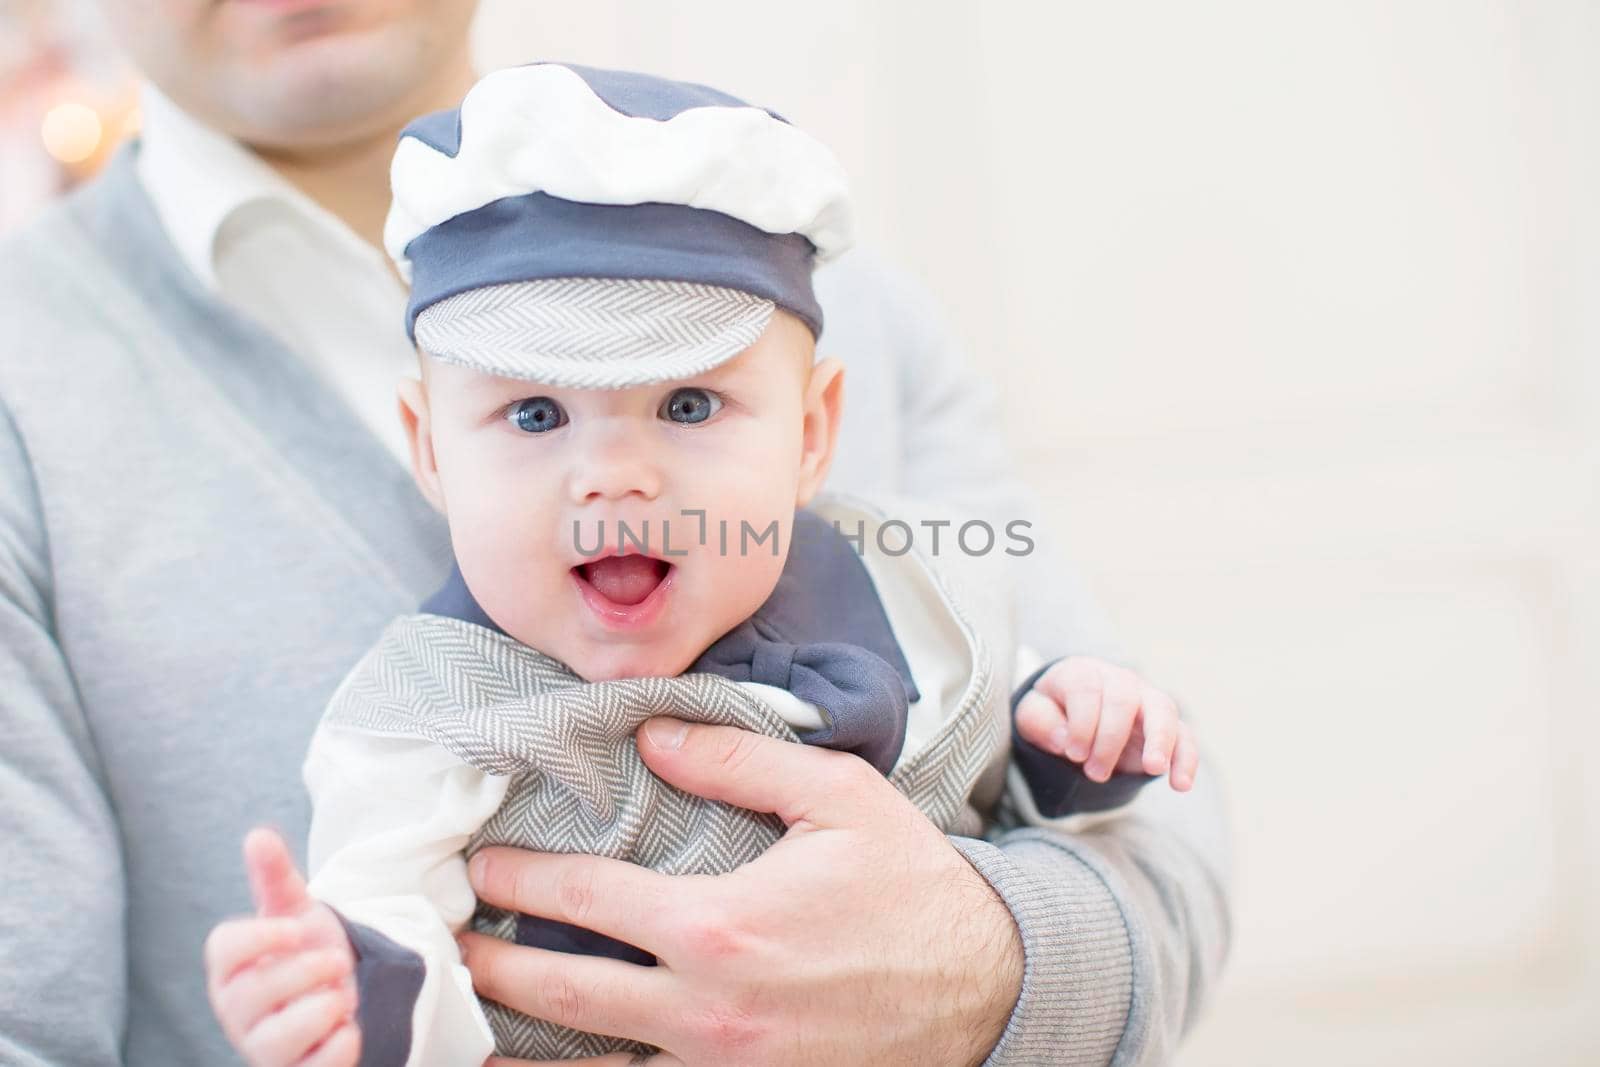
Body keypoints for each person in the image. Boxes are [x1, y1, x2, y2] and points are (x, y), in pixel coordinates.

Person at [0, 2, 1231, 1065]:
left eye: (690, 402)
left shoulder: (811, 276)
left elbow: (1150, 846)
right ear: (431, 439)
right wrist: (357, 993)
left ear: (814, 428)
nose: (615, 481)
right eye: (531, 414)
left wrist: (993, 922)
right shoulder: (36, 395)